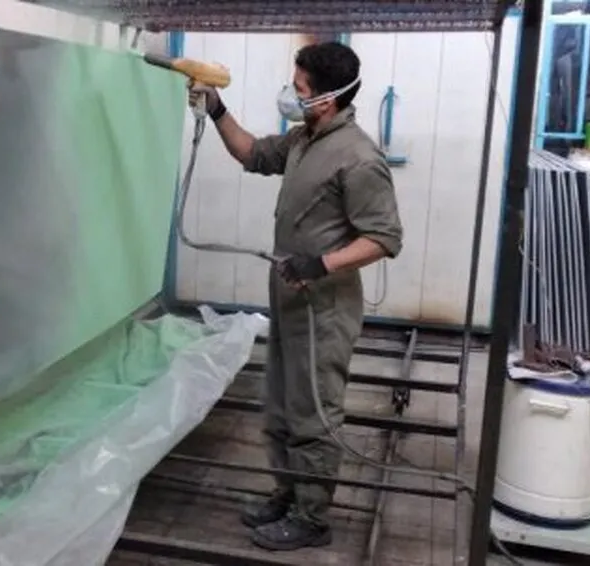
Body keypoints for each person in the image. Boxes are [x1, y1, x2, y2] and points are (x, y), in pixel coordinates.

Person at [189, 42, 403, 551]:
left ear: (326, 98)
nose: (290, 92)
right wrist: (216, 109)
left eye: (299, 87)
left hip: (323, 306)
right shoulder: (305, 139)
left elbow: (384, 238)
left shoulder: (358, 158)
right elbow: (252, 153)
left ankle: (312, 518)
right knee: (282, 405)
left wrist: (321, 264)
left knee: (314, 411)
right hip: (289, 296)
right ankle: (287, 493)